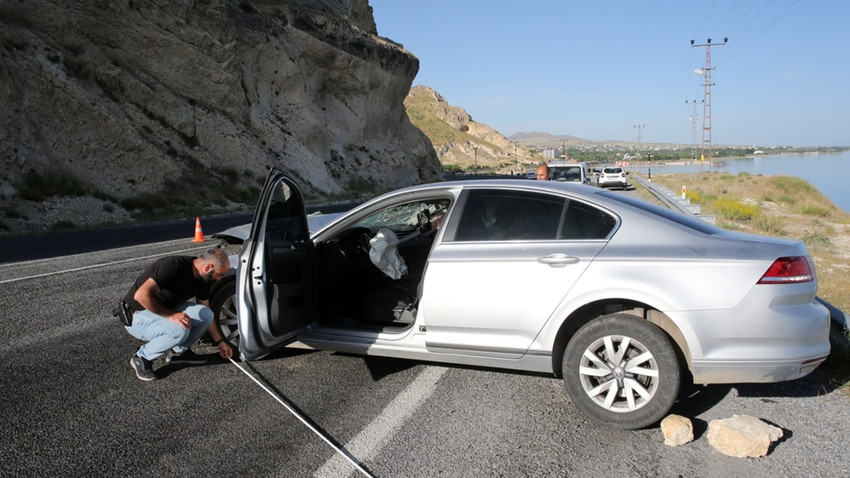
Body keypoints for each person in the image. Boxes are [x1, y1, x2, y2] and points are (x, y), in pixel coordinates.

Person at [123, 248, 233, 381]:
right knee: (180, 329)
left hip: (164, 309)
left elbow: (205, 308)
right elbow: (141, 296)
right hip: (137, 315)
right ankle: (142, 357)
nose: (219, 278)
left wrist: (220, 341)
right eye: (219, 274)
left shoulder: (204, 279)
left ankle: (178, 353)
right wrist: (171, 316)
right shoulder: (173, 266)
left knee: (206, 315)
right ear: (208, 267)